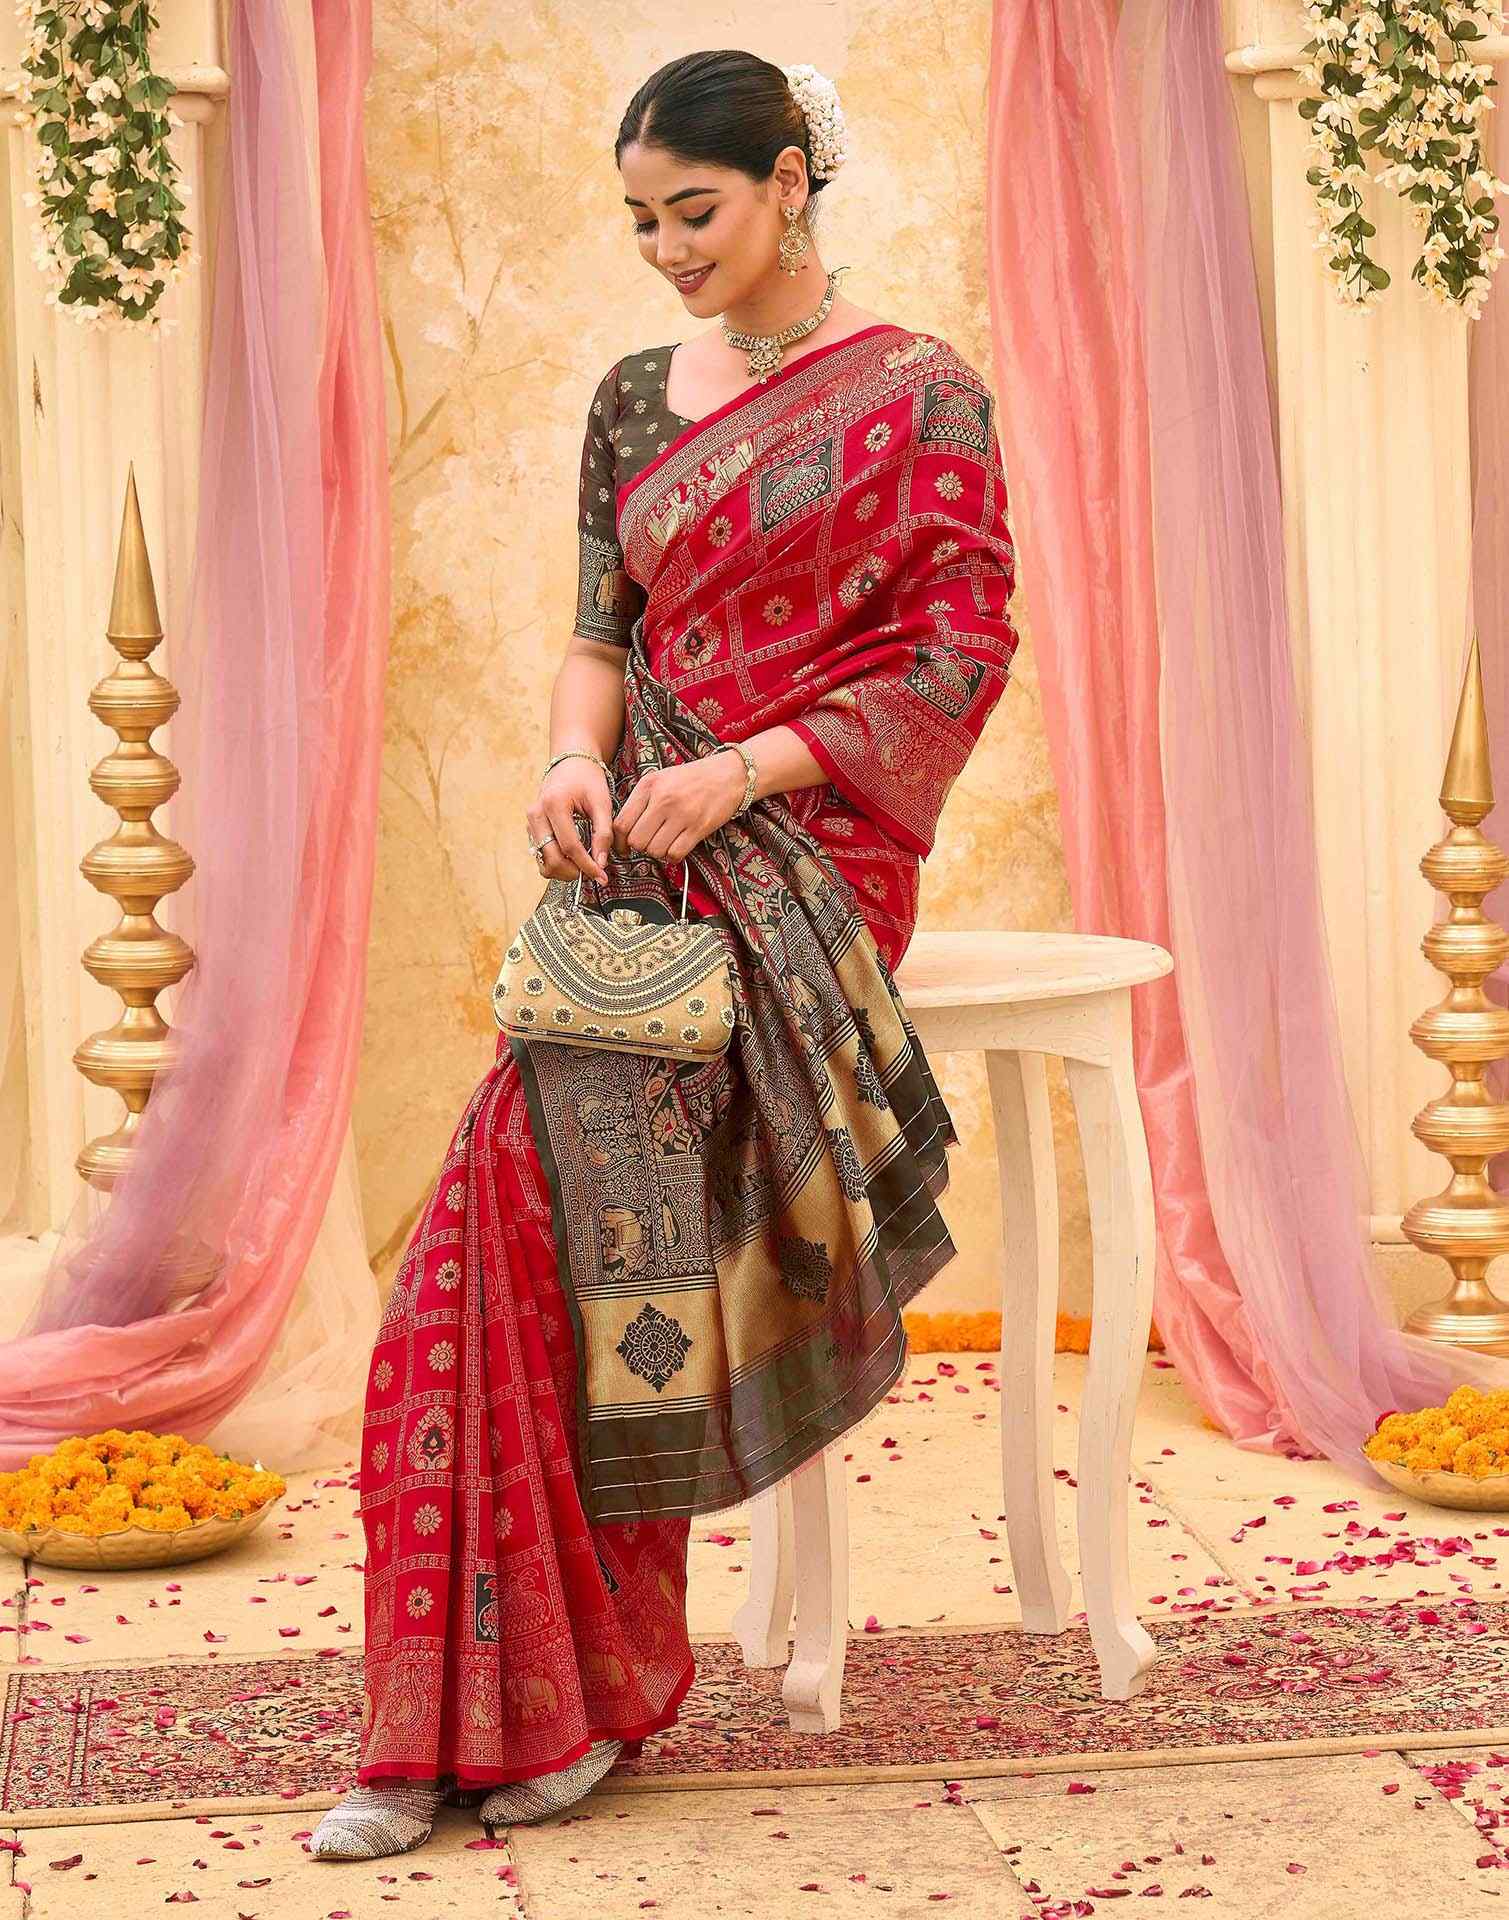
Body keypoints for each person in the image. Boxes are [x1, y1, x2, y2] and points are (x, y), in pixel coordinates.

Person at [311, 48, 1020, 1862]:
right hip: (634, 857)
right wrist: (575, 759)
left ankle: (580, 1707)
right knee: (481, 1254)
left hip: (804, 855)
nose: (664, 251)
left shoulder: (921, 392)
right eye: (638, 222)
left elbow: (957, 651)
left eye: (690, 211)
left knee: (605, 1228)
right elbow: (596, 636)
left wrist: (742, 775)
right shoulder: (634, 397)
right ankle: (440, 1724)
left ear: (787, 180)